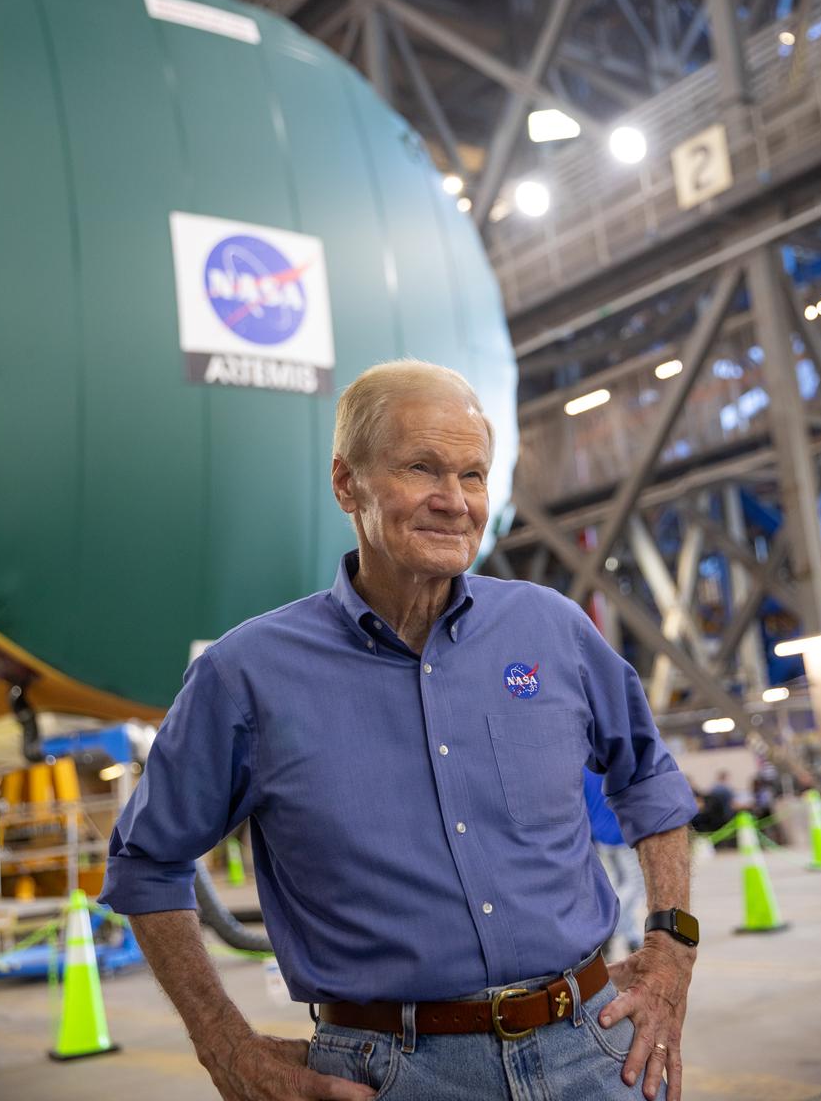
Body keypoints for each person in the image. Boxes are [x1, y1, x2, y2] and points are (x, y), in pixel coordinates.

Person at [99, 359, 699, 1101]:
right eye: (423, 469)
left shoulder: (549, 628)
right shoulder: (246, 674)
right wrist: (226, 1049)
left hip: (593, 1048)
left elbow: (648, 778)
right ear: (346, 483)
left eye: (473, 476)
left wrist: (671, 950)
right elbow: (145, 864)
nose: (455, 502)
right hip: (388, 1074)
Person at [583, 768, 645, 955]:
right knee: (634, 885)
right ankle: (610, 927)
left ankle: (632, 936)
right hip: (620, 832)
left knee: (618, 885)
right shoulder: (609, 764)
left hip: (600, 834)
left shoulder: (583, 770)